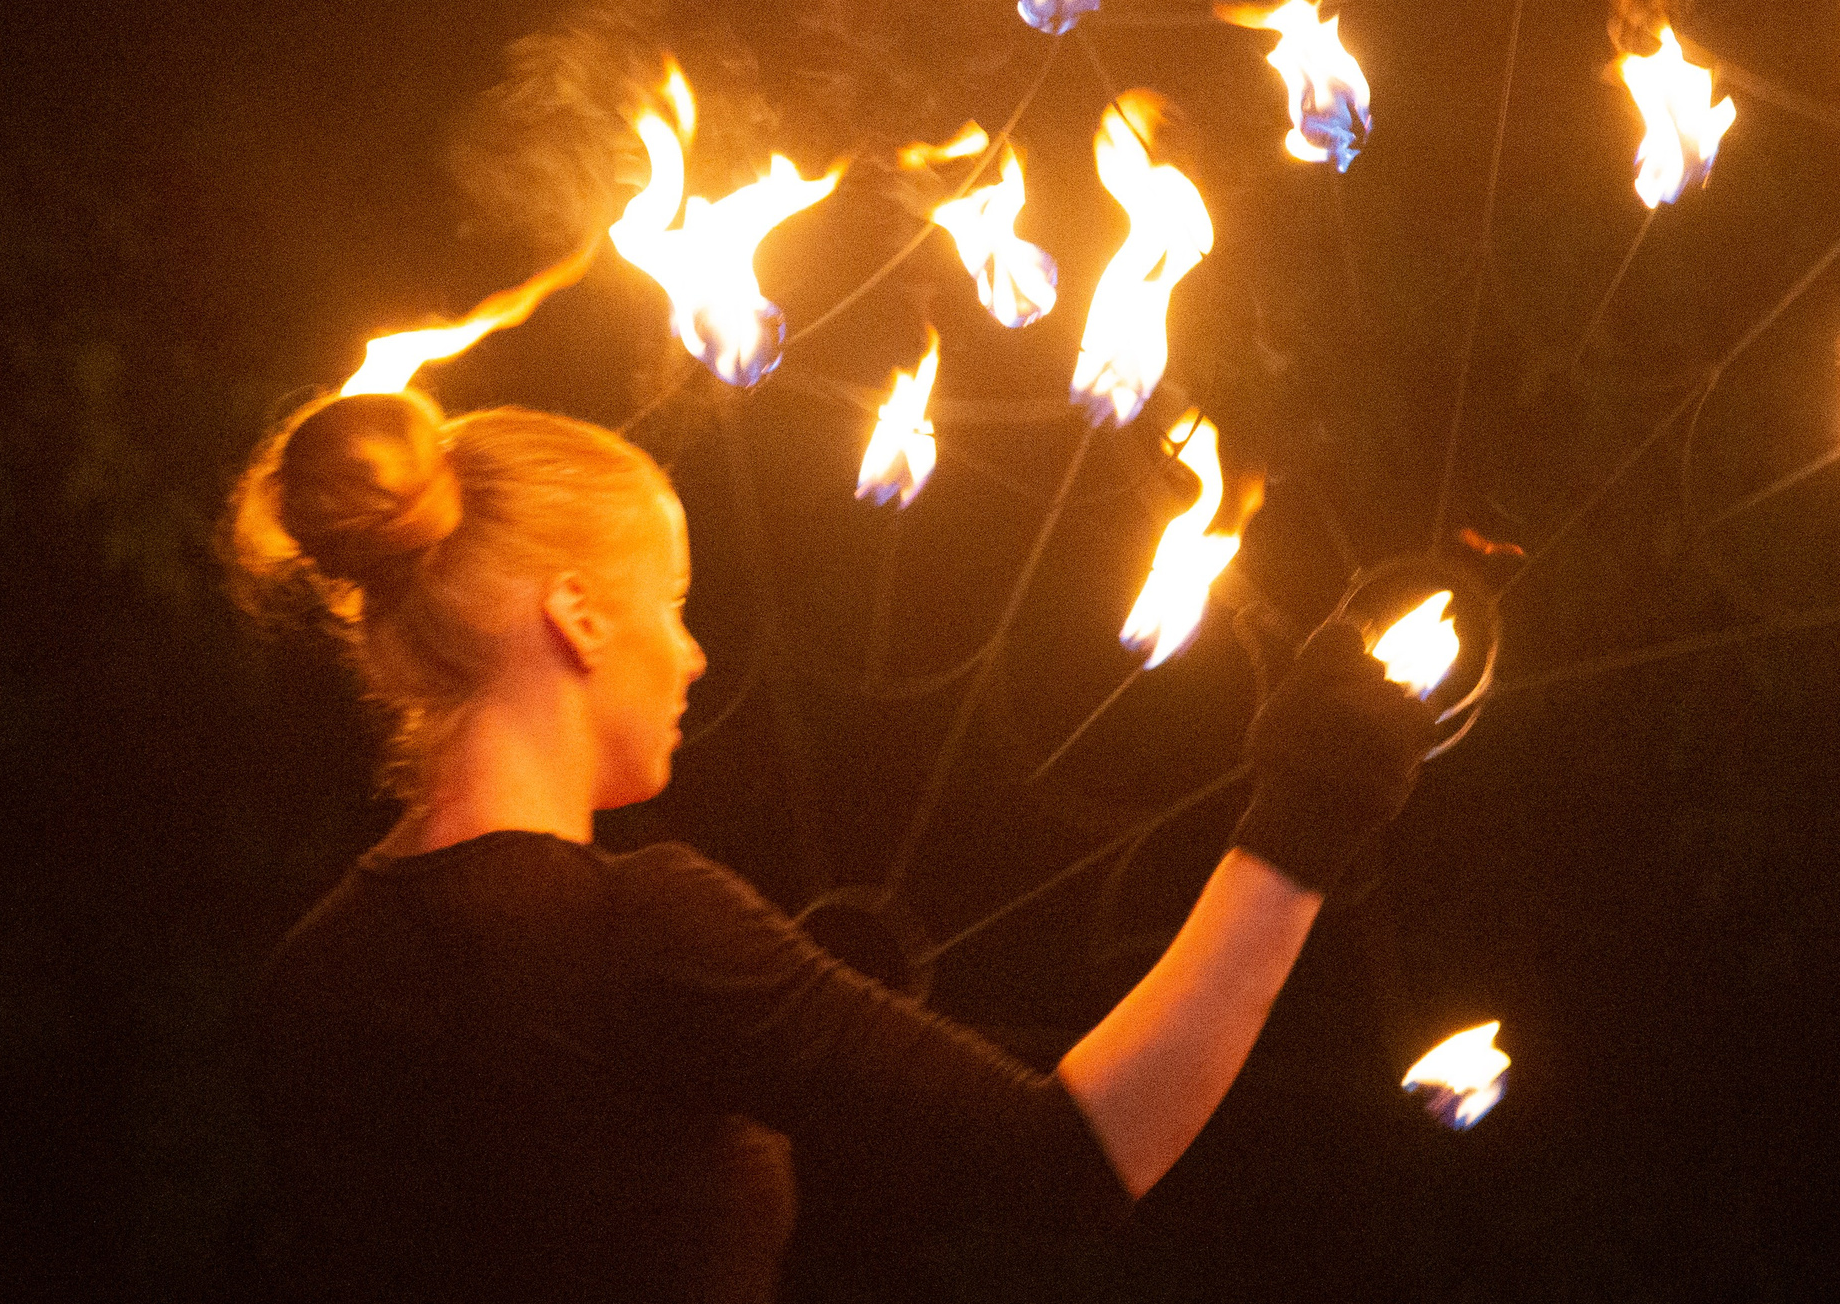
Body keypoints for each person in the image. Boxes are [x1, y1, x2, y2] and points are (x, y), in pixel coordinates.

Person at [231, 389, 1436, 1303]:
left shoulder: (311, 974)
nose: (692, 653)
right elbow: (1070, 1157)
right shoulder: (639, 930)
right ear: (579, 615)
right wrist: (1303, 825)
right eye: (672, 602)